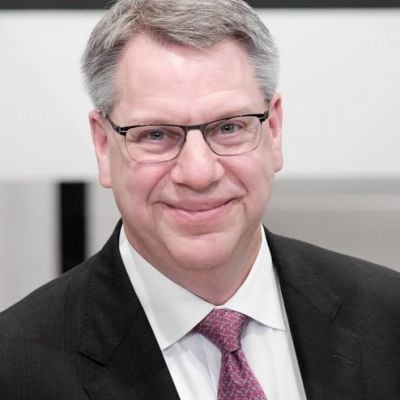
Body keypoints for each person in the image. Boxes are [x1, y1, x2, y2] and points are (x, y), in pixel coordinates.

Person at [0, 0, 399, 399]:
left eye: (229, 127)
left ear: (273, 130)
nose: (198, 173)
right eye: (156, 134)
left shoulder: (389, 317)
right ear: (103, 146)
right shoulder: (15, 368)